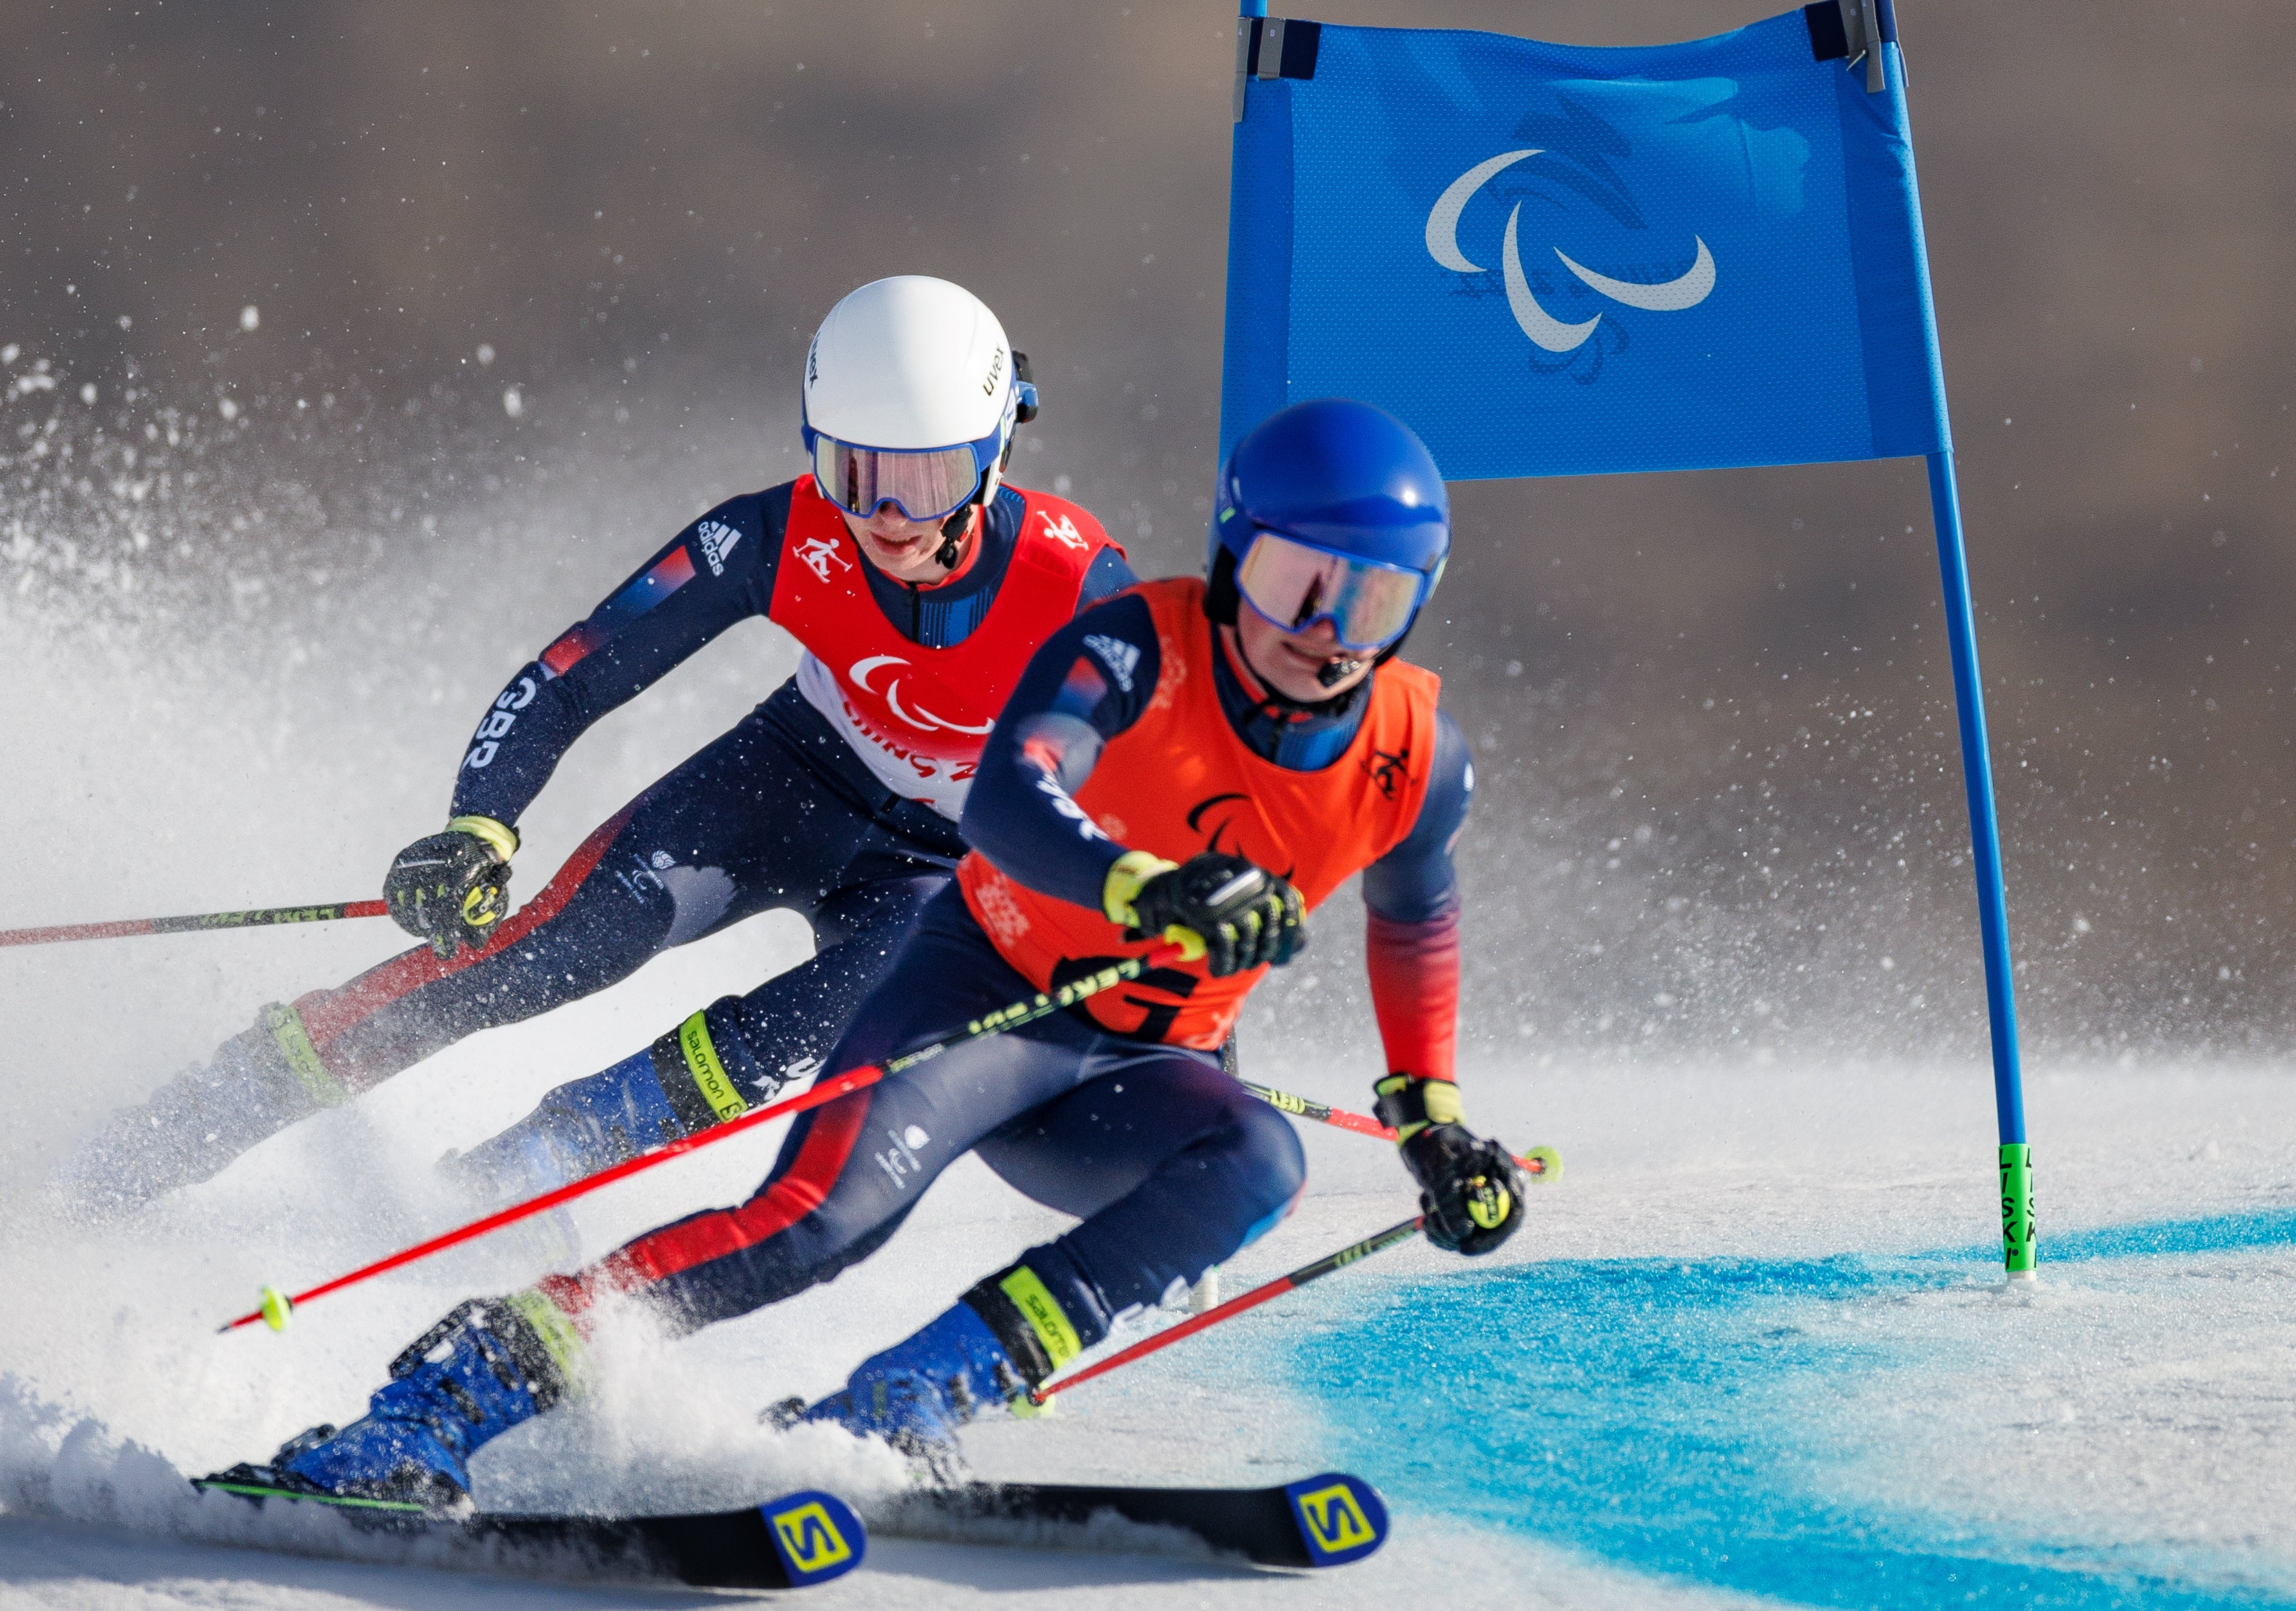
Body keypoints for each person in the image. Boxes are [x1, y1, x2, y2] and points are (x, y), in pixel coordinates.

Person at [218, 399, 1529, 1508]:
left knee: (1259, 1162)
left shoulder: (1418, 753)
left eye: (1374, 600)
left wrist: (1434, 1118)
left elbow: (1416, 916)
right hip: (984, 1001)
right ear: (1239, 555)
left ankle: (895, 1408)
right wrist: (1146, 885)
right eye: (1301, 583)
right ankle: (448, 1395)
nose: (1327, 632)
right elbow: (1014, 798)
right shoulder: (1137, 642)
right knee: (812, 1227)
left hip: (1139, 1060)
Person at [62, 277, 1132, 1209]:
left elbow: (1170, 783)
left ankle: (516, 1176)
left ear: (996, 456)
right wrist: (479, 820)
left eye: (929, 479)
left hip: (947, 861)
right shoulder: (772, 533)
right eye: (855, 474)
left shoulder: (1078, 583)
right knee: (545, 952)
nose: (889, 517)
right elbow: (573, 671)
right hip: (789, 782)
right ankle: (183, 1125)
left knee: (856, 1012)